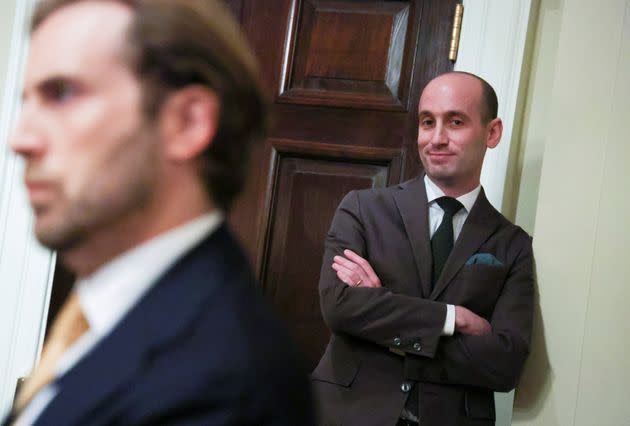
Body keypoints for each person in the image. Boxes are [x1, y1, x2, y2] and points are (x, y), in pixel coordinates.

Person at [5, 0, 314, 425]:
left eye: (62, 94)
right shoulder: (102, 317)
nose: (19, 139)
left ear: (187, 122)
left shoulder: (223, 384)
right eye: (26, 102)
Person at [312, 71, 534, 426]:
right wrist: (452, 318)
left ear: (492, 133)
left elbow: (505, 363)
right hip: (346, 412)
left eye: (455, 122)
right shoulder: (362, 209)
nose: (436, 138)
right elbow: (340, 306)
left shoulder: (513, 243)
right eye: (427, 122)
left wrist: (385, 322)